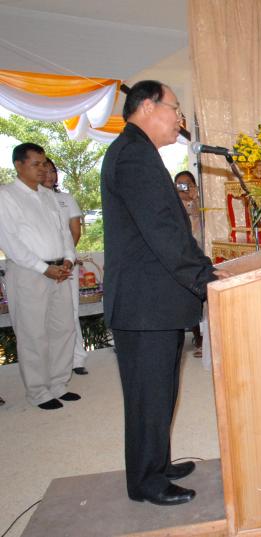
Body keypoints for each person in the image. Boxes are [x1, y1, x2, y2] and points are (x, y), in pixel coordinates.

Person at [101, 80, 229, 506]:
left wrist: (205, 269)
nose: (180, 119)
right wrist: (204, 279)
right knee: (147, 396)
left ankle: (156, 463)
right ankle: (146, 481)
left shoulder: (139, 152)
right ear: (147, 106)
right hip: (144, 304)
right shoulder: (133, 155)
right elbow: (162, 232)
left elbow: (168, 229)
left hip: (154, 301)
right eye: (175, 108)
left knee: (159, 392)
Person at [0, 143, 78, 409]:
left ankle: (58, 384)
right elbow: (9, 240)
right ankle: (38, 391)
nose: (43, 169)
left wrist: (68, 259)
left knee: (63, 328)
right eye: (36, 164)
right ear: (19, 165)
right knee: (33, 333)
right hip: (29, 272)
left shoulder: (48, 196)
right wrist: (43, 268)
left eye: (44, 163)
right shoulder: (6, 195)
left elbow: (64, 232)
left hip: (59, 271)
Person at [43, 158, 89, 375]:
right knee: (47, 315)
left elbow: (75, 232)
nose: (50, 175)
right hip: (41, 267)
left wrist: (65, 260)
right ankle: (53, 362)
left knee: (71, 311)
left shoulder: (65, 199)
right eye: (45, 170)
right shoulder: (32, 200)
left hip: (66, 264)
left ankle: (77, 359)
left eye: (53, 170)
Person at [174, 171, 203, 357]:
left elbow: (199, 217)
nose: (183, 188)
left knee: (199, 295)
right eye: (179, 185)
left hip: (198, 251)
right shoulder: (172, 203)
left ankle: (202, 339)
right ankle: (195, 336)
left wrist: (193, 199)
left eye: (187, 184)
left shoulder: (199, 201)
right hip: (180, 255)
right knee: (186, 295)